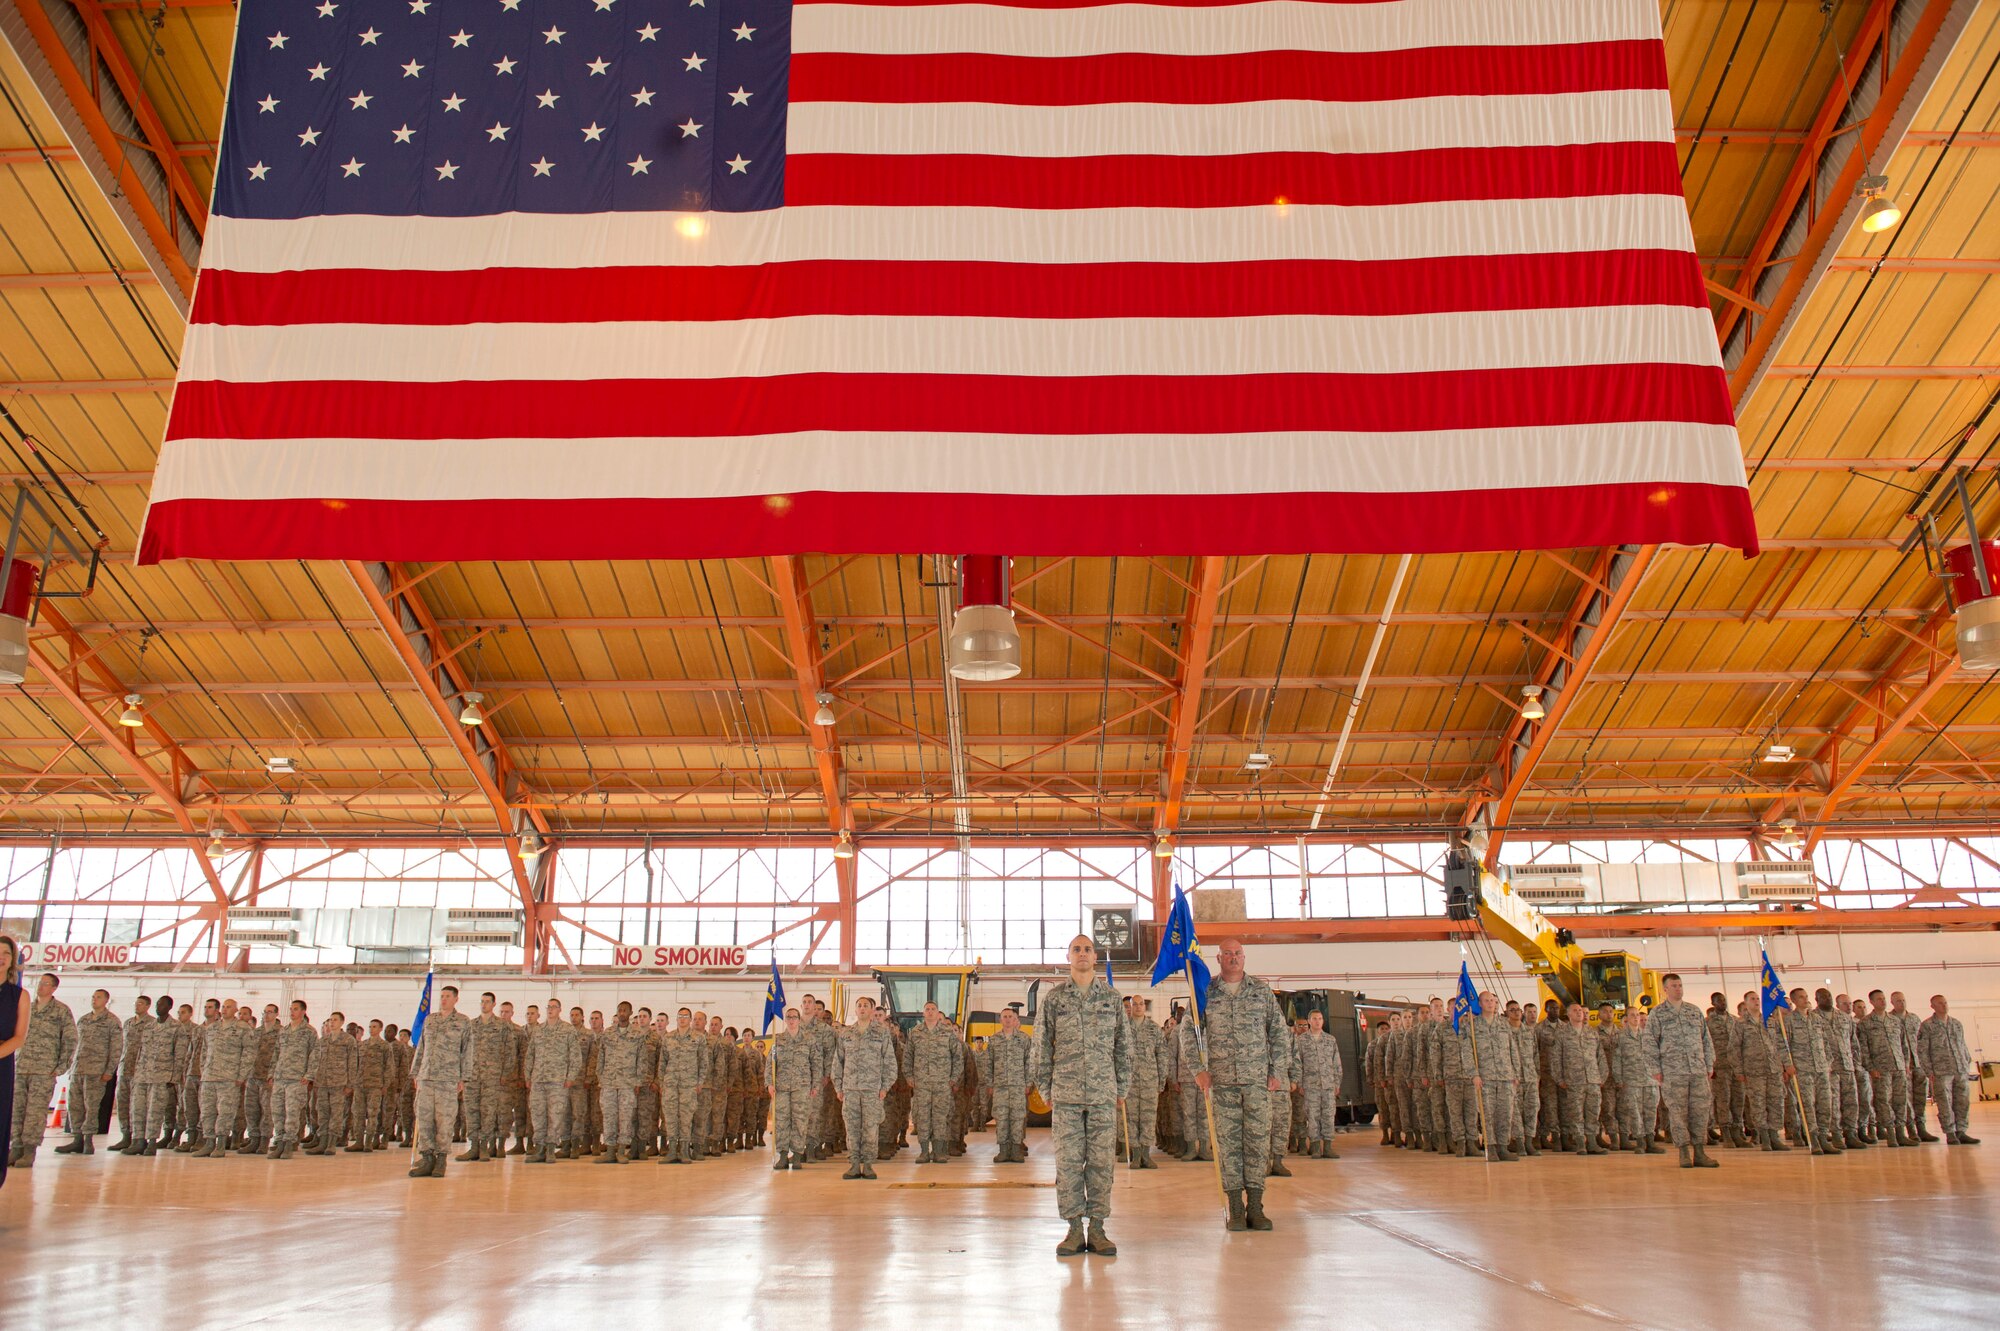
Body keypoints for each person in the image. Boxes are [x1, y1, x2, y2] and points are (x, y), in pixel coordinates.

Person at [1035, 934, 1130, 1256]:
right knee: (1069, 1164)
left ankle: (1099, 1229)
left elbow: (1123, 1047)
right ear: (1068, 957)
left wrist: (1122, 1087)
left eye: (1087, 949)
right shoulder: (1055, 998)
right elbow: (1041, 1045)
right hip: (1066, 1093)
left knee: (1102, 1163)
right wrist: (1046, 1088)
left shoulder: (1112, 998)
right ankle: (1074, 1229)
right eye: (1077, 949)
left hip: (1103, 1093)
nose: (1082, 954)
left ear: (1095, 956)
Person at [1198, 939, 1287, 1233]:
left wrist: (1276, 1070)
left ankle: (1257, 1206)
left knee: (1258, 1144)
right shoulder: (1205, 991)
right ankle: (1235, 1207)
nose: (1233, 958)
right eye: (1228, 954)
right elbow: (1192, 1033)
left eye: (1238, 954)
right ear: (1218, 958)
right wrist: (1199, 1069)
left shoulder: (1261, 991)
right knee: (1229, 1146)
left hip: (1256, 1082)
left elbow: (1278, 1032)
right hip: (1223, 1084)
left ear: (1244, 957)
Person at [1646, 973, 1716, 1167]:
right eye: (1674, 986)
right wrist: (1655, 1068)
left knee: (1701, 1111)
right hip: (1672, 1072)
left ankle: (1700, 1152)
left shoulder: (1694, 1011)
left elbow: (1706, 1040)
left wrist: (1709, 1064)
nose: (1678, 989)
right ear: (1665, 990)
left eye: (1680, 985)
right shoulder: (1658, 1014)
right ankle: (1684, 1151)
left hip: (1697, 1071)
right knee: (1678, 1113)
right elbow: (1650, 1043)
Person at [9, 971, 77, 1168]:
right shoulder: (26, 1008)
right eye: (40, 983)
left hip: (44, 1070)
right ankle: (16, 1148)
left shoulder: (61, 1011)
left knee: (36, 1111)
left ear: (54, 988)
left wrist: (61, 1066)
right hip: (21, 1067)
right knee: (17, 1109)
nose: (41, 986)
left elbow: (70, 1039)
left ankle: (29, 1150)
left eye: (46, 983)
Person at [409, 985, 474, 1178]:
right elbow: (421, 1047)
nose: (443, 999)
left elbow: (467, 1050)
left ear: (456, 999)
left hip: (448, 1078)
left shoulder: (462, 1022)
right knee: (425, 1118)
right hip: (427, 1077)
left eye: (447, 996)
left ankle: (441, 1160)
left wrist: (464, 1077)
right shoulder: (431, 1020)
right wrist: (416, 1073)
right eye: (442, 996)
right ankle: (427, 1158)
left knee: (444, 1120)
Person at [833, 995, 896, 1179]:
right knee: (851, 1128)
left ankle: (868, 1165)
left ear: (871, 1010)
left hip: (872, 1090)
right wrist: (838, 1087)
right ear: (855, 1010)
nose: (862, 1008)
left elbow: (890, 1062)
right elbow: (838, 1062)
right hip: (850, 1090)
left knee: (870, 1128)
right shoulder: (846, 1034)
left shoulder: (881, 1033)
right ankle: (853, 1164)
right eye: (859, 1005)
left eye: (866, 1006)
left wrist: (884, 1087)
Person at [56, 988, 121, 1156]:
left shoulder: (111, 1021)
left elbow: (116, 1048)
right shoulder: (83, 1020)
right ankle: (76, 1139)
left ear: (106, 1000)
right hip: (79, 1069)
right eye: (93, 997)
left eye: (98, 997)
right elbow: (76, 1044)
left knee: (91, 1106)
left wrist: (109, 1070)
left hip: (96, 1071)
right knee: (75, 1105)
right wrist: (71, 1067)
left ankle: (88, 1141)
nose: (94, 999)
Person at [1918, 995, 1979, 1146]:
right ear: (1932, 1006)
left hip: (1960, 1069)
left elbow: (1962, 1044)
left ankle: (1961, 1131)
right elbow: (1922, 1050)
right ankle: (1950, 1133)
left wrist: (1966, 1062)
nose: (1944, 1006)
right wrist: (1928, 1070)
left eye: (1945, 1003)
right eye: (1940, 1003)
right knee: (1945, 1102)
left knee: (1962, 1101)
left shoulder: (1956, 1024)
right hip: (1941, 1071)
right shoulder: (1928, 1026)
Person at [908, 1001, 963, 1165]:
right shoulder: (915, 1033)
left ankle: (939, 1152)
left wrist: (953, 1078)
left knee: (940, 1118)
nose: (930, 1012)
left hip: (942, 1084)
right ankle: (924, 1152)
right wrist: (909, 1077)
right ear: (923, 1013)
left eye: (933, 1009)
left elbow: (957, 1057)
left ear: (938, 1012)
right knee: (923, 1118)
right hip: (921, 1085)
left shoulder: (947, 1032)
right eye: (927, 1009)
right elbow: (908, 1057)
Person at [766, 1007, 820, 1171]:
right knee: (781, 1122)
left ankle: (797, 1155)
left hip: (801, 1088)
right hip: (781, 1087)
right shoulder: (778, 1040)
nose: (791, 1020)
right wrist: (769, 1083)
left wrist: (815, 1085)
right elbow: (770, 1063)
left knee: (799, 1121)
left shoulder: (809, 1040)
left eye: (794, 1017)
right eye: (788, 1017)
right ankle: (782, 1155)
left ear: (799, 1019)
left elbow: (816, 1064)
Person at [1859, 990, 1913, 1147]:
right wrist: (1870, 1067)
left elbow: (1904, 1045)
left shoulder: (1895, 1021)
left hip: (1898, 1066)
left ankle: (1901, 1132)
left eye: (1883, 999)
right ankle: (1890, 1133)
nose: (1882, 1002)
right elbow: (1863, 1048)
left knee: (1901, 1099)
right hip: (1880, 1068)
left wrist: (1906, 1063)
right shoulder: (1866, 1023)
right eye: (1878, 999)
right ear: (1872, 1002)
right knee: (1883, 1101)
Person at [596, 1001, 646, 1163]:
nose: (622, 1013)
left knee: (625, 1117)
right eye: (619, 1010)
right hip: (609, 1082)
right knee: (609, 1116)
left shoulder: (637, 1035)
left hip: (627, 1083)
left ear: (631, 1013)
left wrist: (638, 1081)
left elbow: (642, 1059)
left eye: (625, 1010)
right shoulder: (608, 1033)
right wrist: (601, 1078)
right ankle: (610, 1151)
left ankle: (622, 1151)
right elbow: (601, 1058)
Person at [1554, 1003, 1607, 1154]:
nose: (1579, 1013)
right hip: (1573, 1080)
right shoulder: (1562, 1033)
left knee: (1593, 1112)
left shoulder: (1592, 1032)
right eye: (1575, 1011)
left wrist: (1601, 1077)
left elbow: (1600, 1056)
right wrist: (1559, 1079)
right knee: (1576, 1113)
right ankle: (1580, 1143)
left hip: (1592, 1080)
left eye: (1581, 1011)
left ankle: (1592, 1143)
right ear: (1568, 1014)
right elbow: (1556, 1058)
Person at [268, 1000, 317, 1159]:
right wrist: (271, 1074)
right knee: (277, 1111)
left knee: (292, 1112)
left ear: (303, 1011)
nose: (292, 1012)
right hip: (280, 1077)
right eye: (291, 1009)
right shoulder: (284, 1031)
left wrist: (309, 1075)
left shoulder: (309, 1031)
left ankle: (289, 1143)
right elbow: (276, 1053)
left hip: (297, 1079)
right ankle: (280, 1142)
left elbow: (315, 1055)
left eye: (295, 1009)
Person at [987, 1007, 1033, 1163]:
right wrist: (990, 1083)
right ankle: (1003, 1151)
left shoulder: (1024, 1039)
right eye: (1004, 1017)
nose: (1007, 1019)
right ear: (1000, 1020)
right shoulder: (993, 1040)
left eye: (1010, 1017)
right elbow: (989, 1064)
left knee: (1017, 1119)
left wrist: (1028, 1082)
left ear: (1015, 1020)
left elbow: (1029, 1063)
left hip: (1018, 1086)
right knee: (1001, 1119)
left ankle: (1016, 1150)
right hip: (999, 1087)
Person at [1297, 1009, 1342, 1160]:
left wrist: (1337, 1082)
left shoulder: (1330, 1040)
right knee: (1313, 1116)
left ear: (1323, 1021)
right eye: (1315, 1019)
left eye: (1320, 1018)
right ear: (1309, 1021)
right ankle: (1315, 1147)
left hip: (1328, 1084)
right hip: (1310, 1085)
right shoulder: (1302, 1040)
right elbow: (1298, 1063)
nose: (1317, 1021)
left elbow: (1336, 1063)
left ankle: (1328, 1147)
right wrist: (1299, 1083)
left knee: (1329, 1115)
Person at [0, 936, 26, 1189]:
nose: (1, 956)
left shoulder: (19, 995)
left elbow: (19, 1037)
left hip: (1, 1065)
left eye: (6, 953)